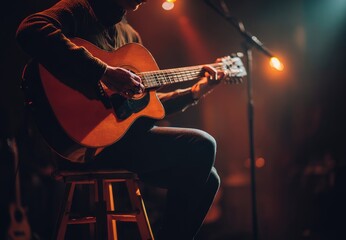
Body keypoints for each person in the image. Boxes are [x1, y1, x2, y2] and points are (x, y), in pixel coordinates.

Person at [16, 0, 227, 239]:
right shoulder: (81, 9)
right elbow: (30, 28)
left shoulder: (130, 35)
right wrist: (103, 72)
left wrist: (195, 92)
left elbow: (147, 108)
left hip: (121, 142)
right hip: (83, 142)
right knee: (202, 145)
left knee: (209, 179)